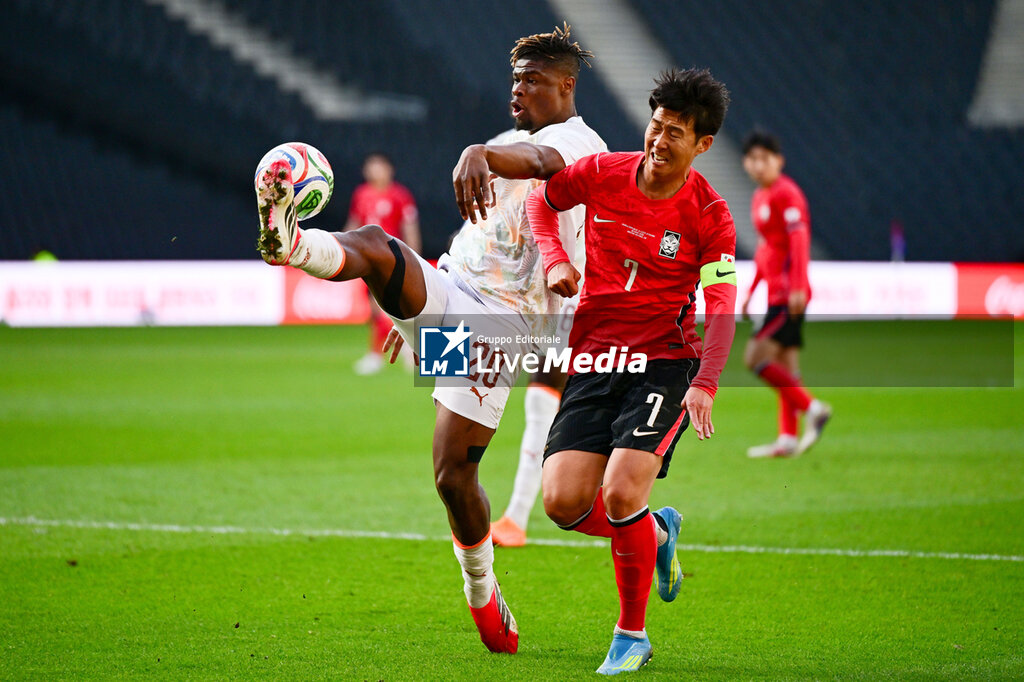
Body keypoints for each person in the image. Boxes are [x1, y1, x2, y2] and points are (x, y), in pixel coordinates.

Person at [254, 25, 605, 655]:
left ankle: (482, 590)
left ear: (567, 84)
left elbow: (545, 165)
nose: (517, 90)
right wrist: (410, 308)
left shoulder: (579, 141)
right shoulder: (504, 144)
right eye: (514, 79)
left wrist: (482, 152)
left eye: (531, 80)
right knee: (376, 247)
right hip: (458, 294)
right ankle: (291, 242)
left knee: (450, 476)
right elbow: (478, 235)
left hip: (509, 327)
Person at [525, 67, 737, 675]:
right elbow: (546, 201)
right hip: (595, 357)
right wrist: (557, 258)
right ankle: (658, 534)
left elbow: (720, 305)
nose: (659, 139)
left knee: (620, 492)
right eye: (656, 124)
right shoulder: (603, 173)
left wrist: (706, 382)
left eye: (676, 132)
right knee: (563, 503)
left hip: (666, 364)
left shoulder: (711, 217)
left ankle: (631, 634)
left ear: (703, 145)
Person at [740, 131, 831, 458]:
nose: (757, 165)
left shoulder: (787, 193)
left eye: (765, 158)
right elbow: (769, 249)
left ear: (779, 160)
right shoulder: (760, 197)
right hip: (775, 293)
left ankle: (813, 407)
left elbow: (798, 241)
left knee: (755, 358)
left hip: (789, 295)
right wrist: (752, 291)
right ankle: (788, 439)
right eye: (752, 159)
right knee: (786, 366)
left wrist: (796, 287)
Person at [344, 153, 421, 375]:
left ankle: (379, 355)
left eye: (378, 166)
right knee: (375, 309)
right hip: (364, 258)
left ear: (389, 170)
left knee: (387, 307)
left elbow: (410, 228)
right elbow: (354, 223)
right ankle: (402, 349)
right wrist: (339, 245)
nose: (374, 171)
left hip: (390, 257)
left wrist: (413, 256)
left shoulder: (400, 195)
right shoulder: (361, 194)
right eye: (370, 167)